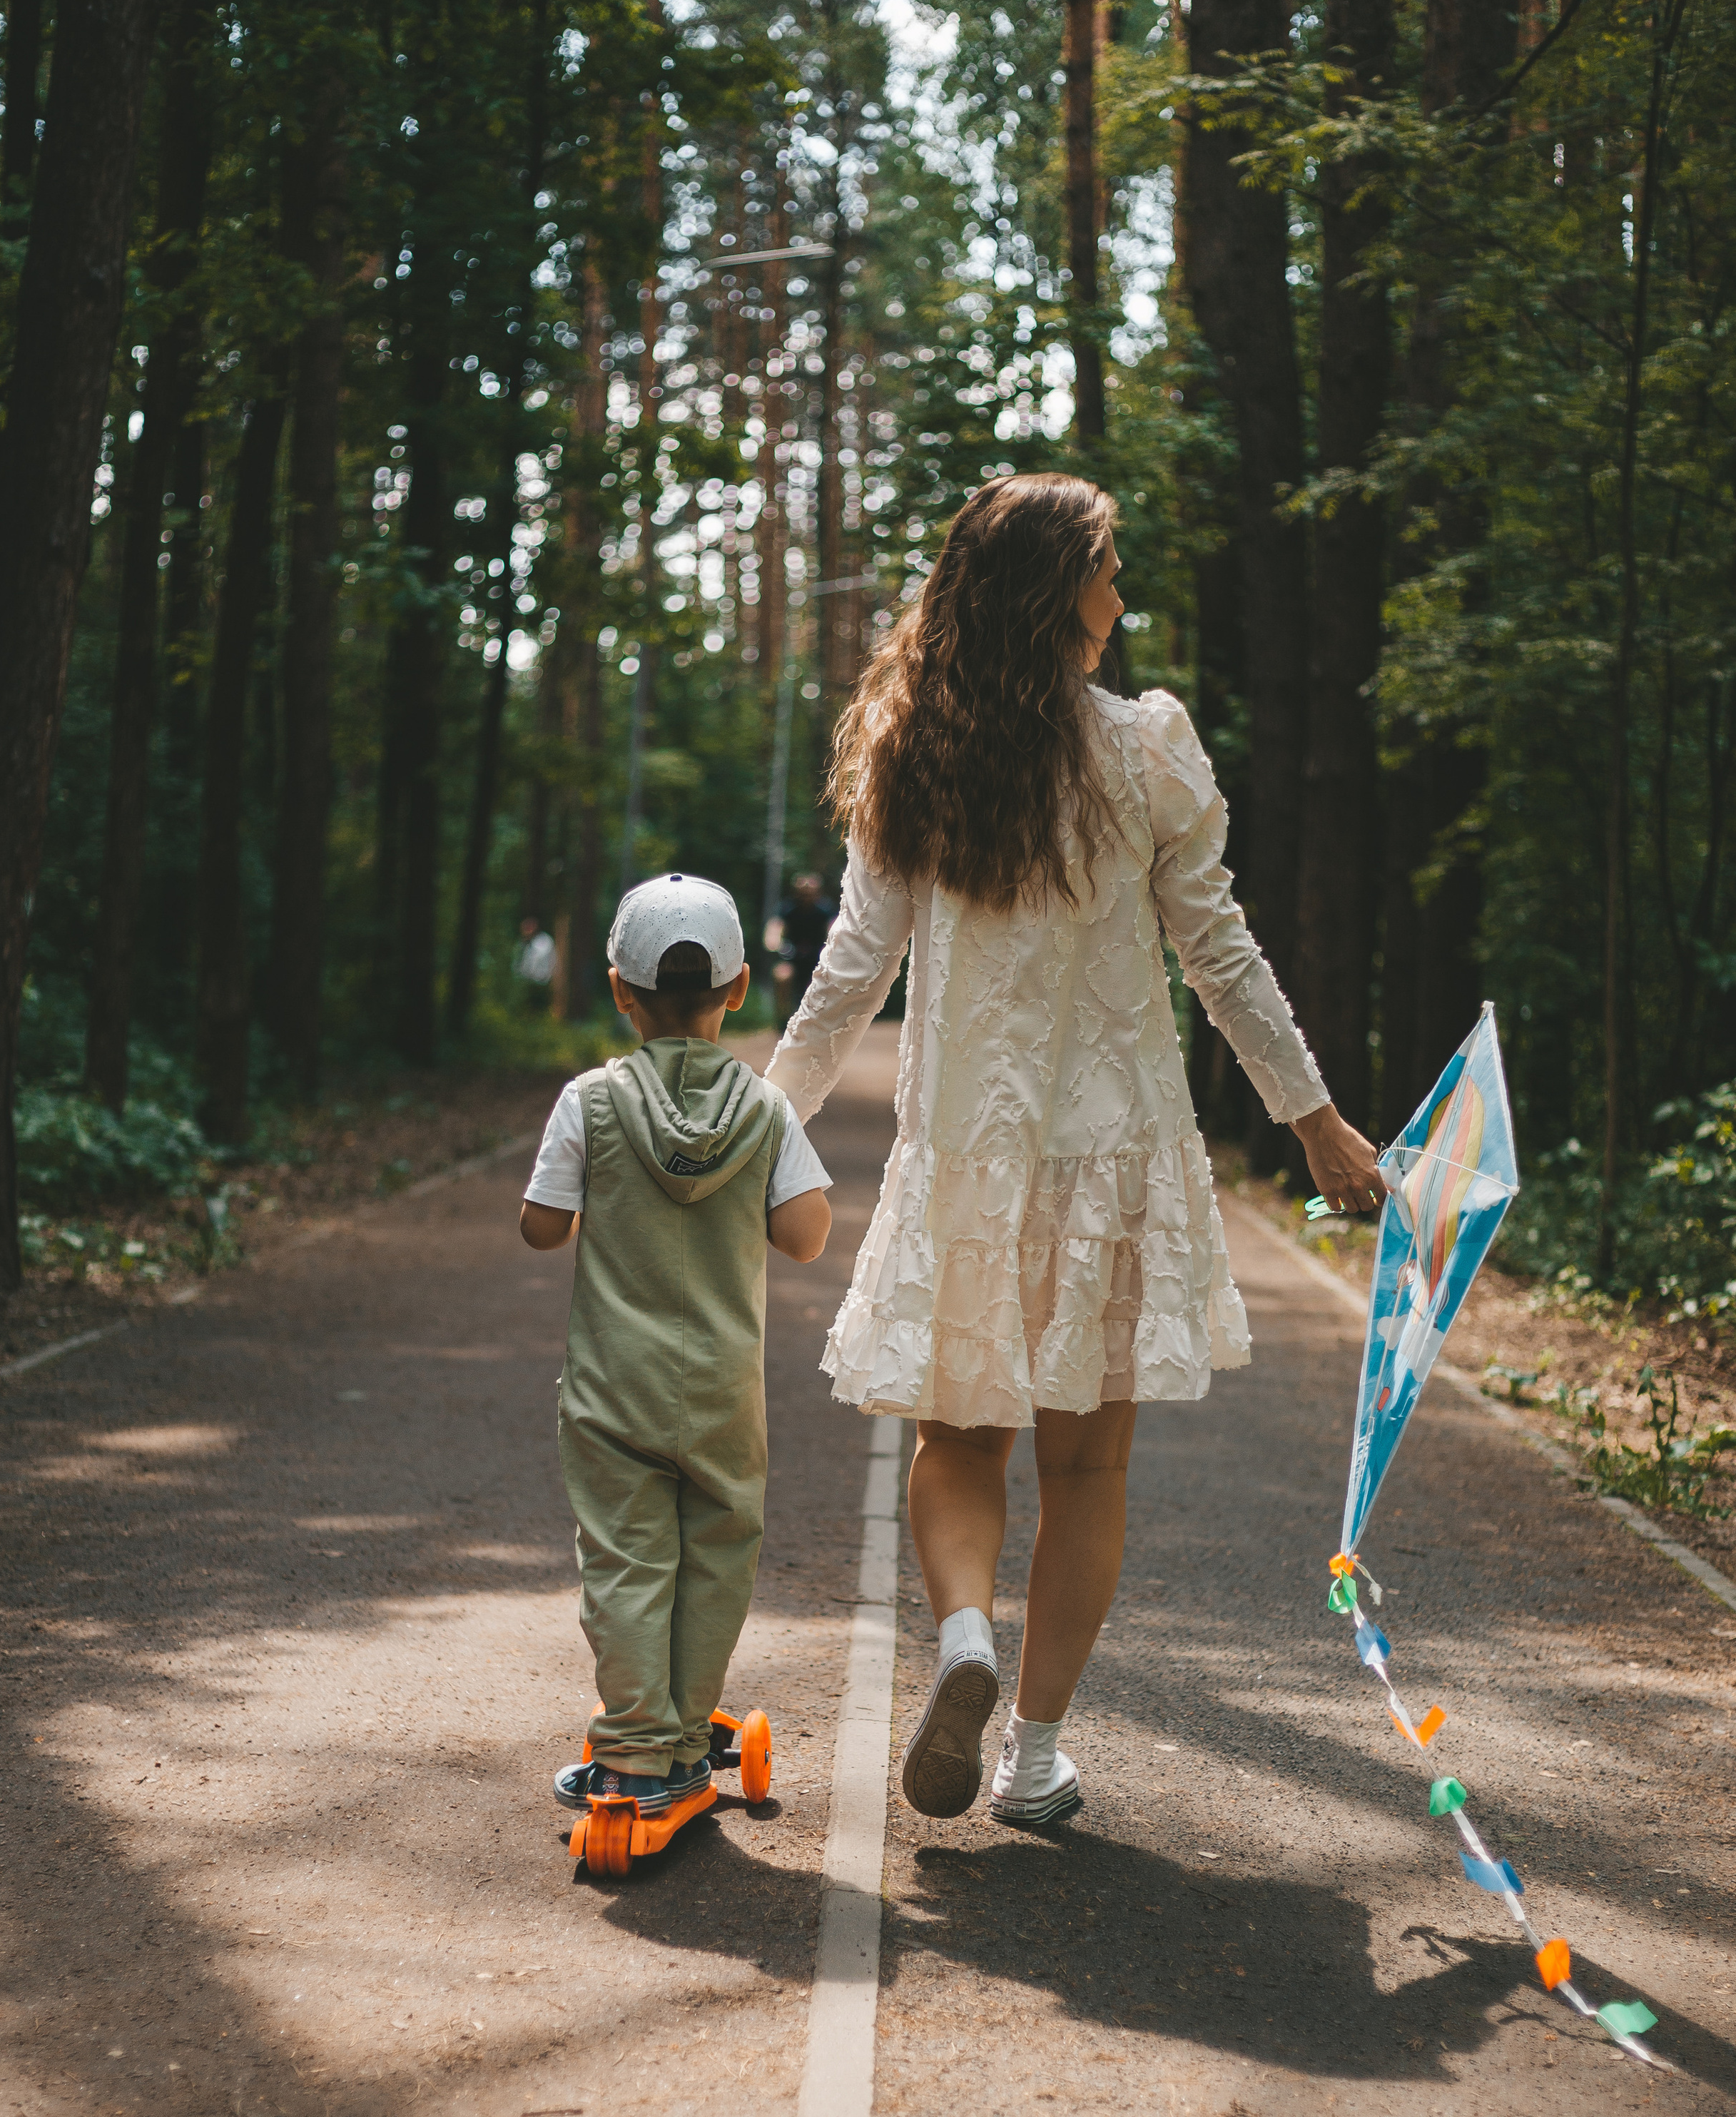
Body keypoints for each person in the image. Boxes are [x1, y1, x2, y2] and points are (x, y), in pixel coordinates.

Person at [766, 474, 1383, 1829]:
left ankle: (967, 1639)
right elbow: (1219, 953)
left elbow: (848, 976)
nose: (1123, 597)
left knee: (958, 1440)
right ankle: (1033, 1753)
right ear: (1058, 594)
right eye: (1108, 571)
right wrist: (1316, 1118)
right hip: (1115, 1162)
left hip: (969, 1164)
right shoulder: (1148, 747)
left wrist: (763, 1127)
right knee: (1088, 1469)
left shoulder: (914, 752)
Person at [522, 874, 833, 1812]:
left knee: (625, 1562)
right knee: (714, 1561)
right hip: (723, 1396)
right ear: (740, 989)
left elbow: (543, 1226)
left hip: (615, 1391)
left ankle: (632, 1750)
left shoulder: (591, 1100)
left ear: (621, 990)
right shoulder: (766, 1110)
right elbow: (806, 1236)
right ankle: (689, 1739)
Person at [771, 870, 836, 1029]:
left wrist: (832, 945)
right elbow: (775, 930)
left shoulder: (825, 909)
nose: (806, 896)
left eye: (810, 893)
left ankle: (823, 1020)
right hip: (792, 958)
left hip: (818, 959)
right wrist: (775, 943)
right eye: (803, 893)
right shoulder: (787, 908)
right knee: (782, 977)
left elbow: (834, 929)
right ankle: (783, 1019)